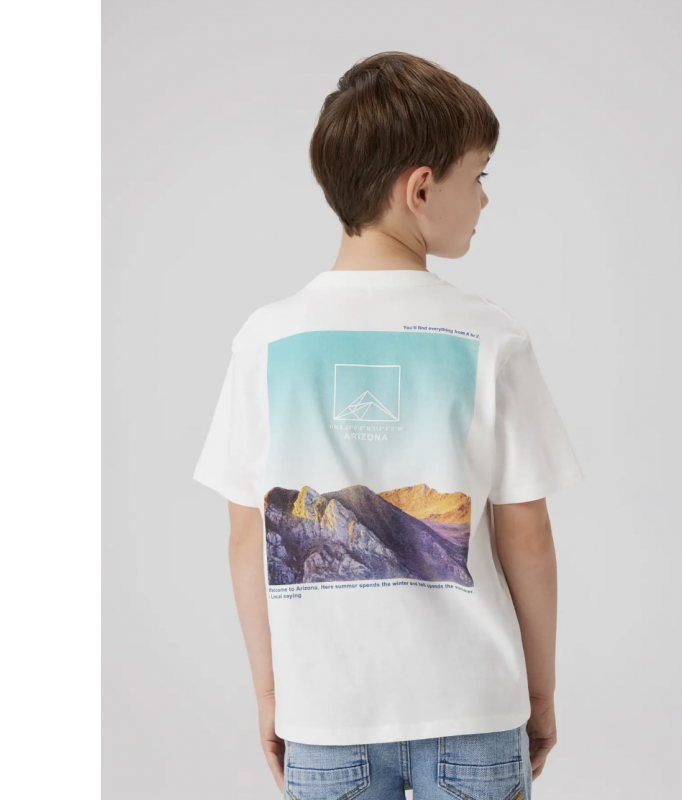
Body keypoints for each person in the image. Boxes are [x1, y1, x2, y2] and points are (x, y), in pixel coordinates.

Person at [193, 51, 584, 800]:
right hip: (475, 708)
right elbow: (526, 534)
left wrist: (272, 694)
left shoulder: (267, 339)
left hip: (326, 717)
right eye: (480, 176)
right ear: (422, 188)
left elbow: (248, 535)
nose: (485, 199)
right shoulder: (490, 336)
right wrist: (538, 691)